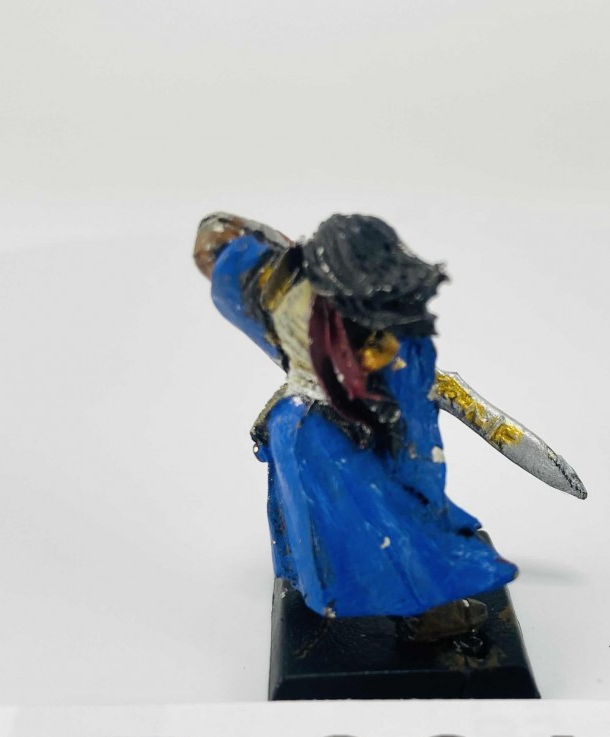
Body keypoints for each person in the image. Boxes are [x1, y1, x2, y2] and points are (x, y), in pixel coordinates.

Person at [194, 212, 517, 637]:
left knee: (342, 522)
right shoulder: (324, 308)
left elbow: (221, 249)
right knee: (389, 521)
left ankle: (346, 589)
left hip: (305, 423)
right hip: (331, 432)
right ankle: (428, 614)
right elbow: (373, 379)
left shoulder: (264, 278)